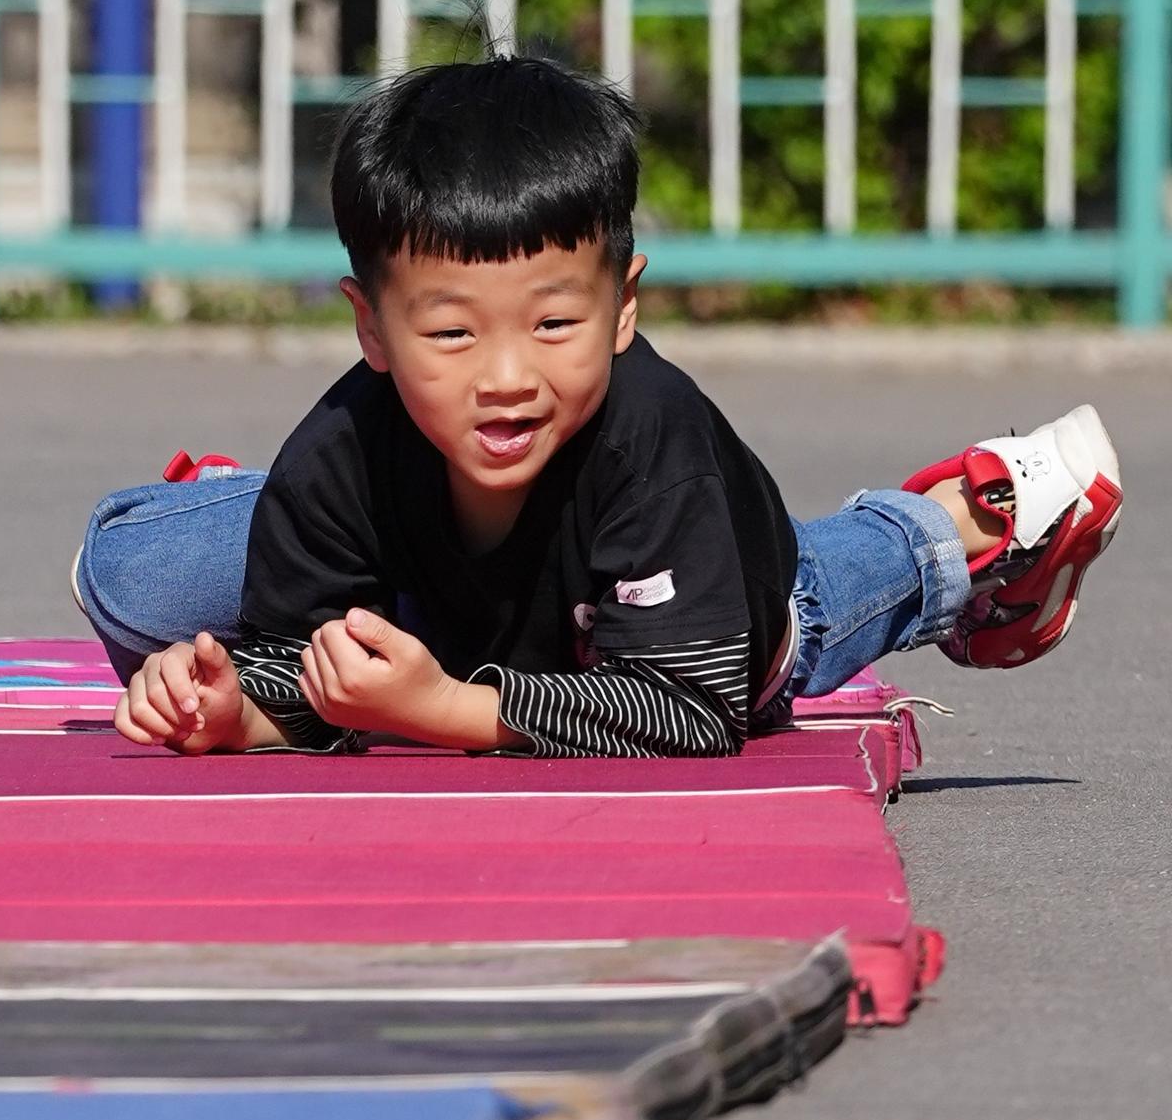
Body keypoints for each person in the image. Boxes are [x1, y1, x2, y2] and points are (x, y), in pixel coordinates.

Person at [76, 54, 1122, 761]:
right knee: (133, 574)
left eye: (551, 326)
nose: (504, 377)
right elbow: (289, 667)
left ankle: (960, 530)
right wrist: (234, 711)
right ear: (370, 329)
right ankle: (240, 505)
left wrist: (444, 710)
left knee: (809, 593)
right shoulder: (346, 441)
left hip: (716, 617)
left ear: (623, 306)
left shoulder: (650, 442)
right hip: (491, 615)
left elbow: (692, 707)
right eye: (448, 333)